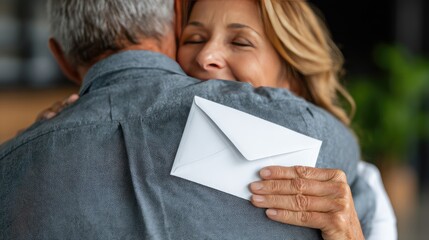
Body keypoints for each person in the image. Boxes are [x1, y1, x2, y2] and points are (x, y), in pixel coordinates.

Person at [0, 0, 389, 239]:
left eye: (239, 41)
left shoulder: (347, 187)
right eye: (194, 38)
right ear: (172, 29)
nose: (205, 58)